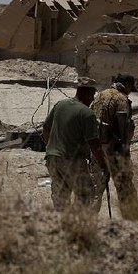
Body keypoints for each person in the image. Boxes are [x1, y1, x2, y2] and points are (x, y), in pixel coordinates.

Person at [42, 77, 110, 212]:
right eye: (92, 95)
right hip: (73, 161)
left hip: (52, 158)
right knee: (85, 196)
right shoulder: (87, 114)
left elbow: (45, 128)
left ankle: (61, 224)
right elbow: (94, 144)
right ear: (87, 93)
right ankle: (79, 226)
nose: (92, 99)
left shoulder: (60, 105)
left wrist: (51, 146)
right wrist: (104, 165)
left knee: (60, 197)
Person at [91, 73, 138, 217]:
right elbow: (123, 128)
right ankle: (131, 220)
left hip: (96, 149)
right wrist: (124, 152)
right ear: (127, 85)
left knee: (95, 189)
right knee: (125, 188)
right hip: (115, 151)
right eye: (131, 88)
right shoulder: (122, 99)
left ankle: (87, 221)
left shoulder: (98, 96)